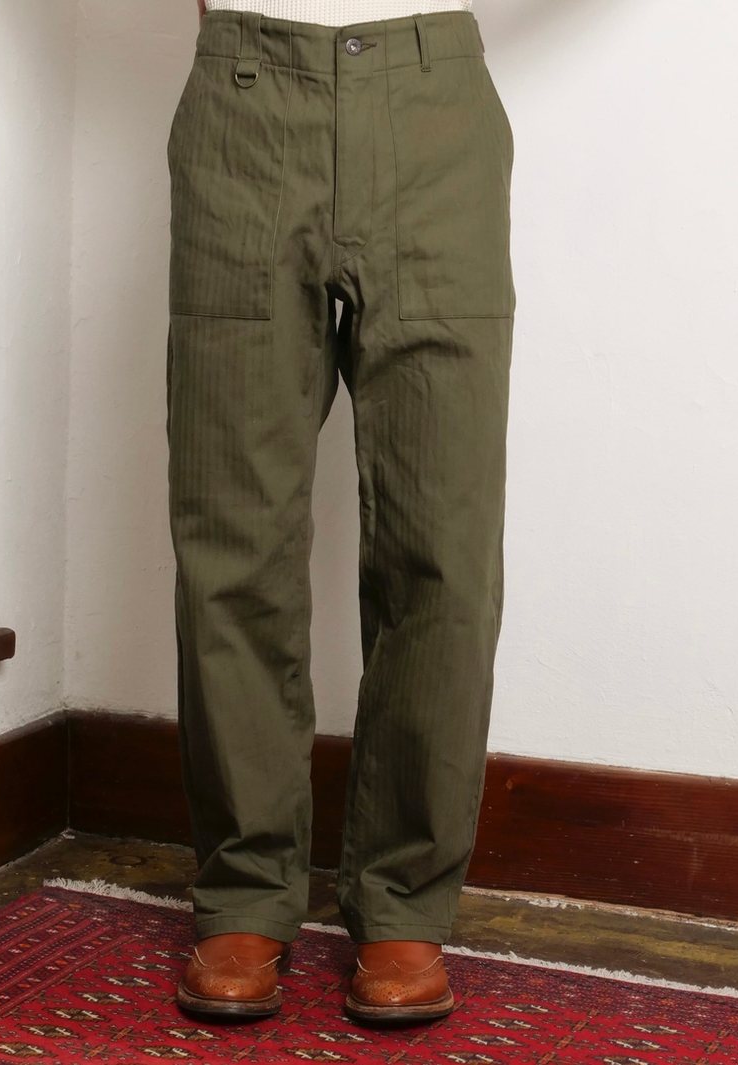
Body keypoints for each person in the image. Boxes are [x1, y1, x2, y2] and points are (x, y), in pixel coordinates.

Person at [166, 0, 515, 1026]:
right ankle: (243, 891)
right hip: (244, 100)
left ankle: (404, 899)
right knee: (233, 531)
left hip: (433, 105)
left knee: (442, 543)